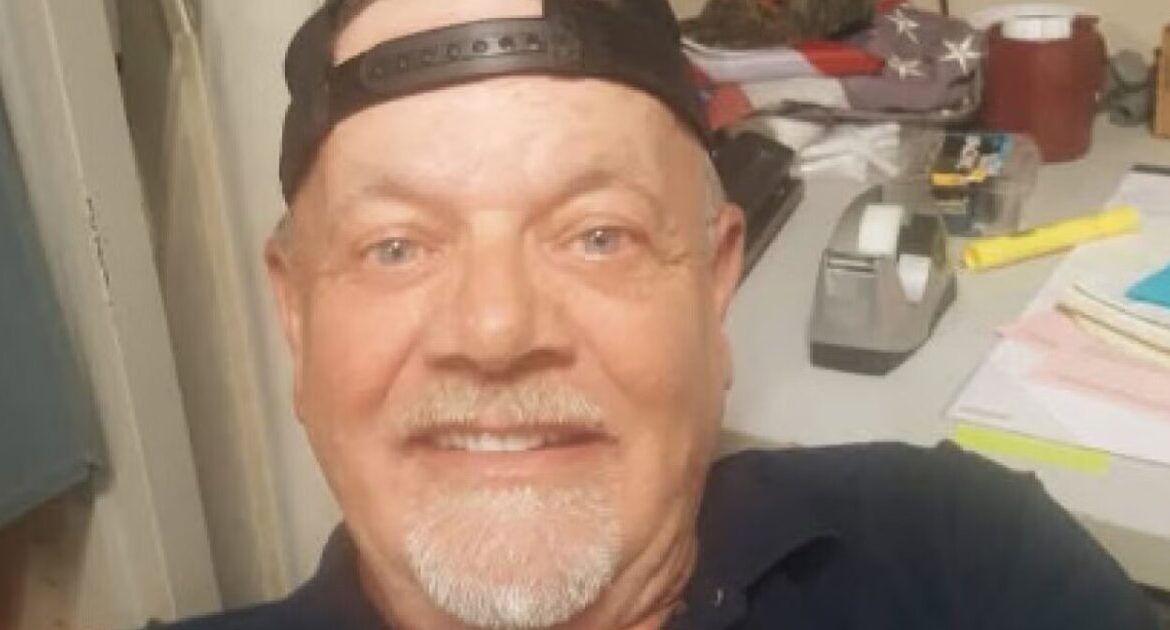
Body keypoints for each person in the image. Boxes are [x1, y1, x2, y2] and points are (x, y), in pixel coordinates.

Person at [161, 0, 1160, 628]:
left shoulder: (964, 565)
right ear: (296, 315)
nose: (496, 331)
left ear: (716, 281)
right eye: (395, 247)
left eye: (599, 235)